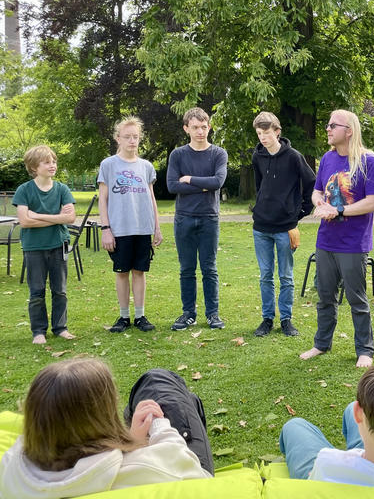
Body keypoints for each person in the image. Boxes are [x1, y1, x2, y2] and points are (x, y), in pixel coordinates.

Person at [0, 358, 213, 498]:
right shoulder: (145, 468)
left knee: (187, 400)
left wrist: (130, 440)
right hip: (190, 470)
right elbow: (194, 473)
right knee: (157, 380)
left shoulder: (10, 468)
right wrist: (159, 422)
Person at [299, 109, 374, 368]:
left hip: (352, 244)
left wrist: (340, 210)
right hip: (326, 241)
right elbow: (316, 190)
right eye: (327, 124)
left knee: (356, 299)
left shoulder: (369, 161)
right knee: (325, 297)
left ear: (349, 130)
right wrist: (319, 202)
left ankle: (365, 351)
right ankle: (321, 344)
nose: (327, 129)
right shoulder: (327, 158)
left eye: (332, 125)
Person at [250, 111, 316, 337]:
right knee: (265, 275)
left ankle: (286, 319)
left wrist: (300, 213)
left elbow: (311, 184)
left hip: (286, 227)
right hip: (261, 227)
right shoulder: (257, 157)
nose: (262, 138)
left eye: (266, 133)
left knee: (286, 276)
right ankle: (267, 319)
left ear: (277, 132)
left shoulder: (294, 157)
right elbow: (260, 187)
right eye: (259, 133)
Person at [98, 117, 163, 333]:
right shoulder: (108, 165)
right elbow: (103, 199)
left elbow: (151, 197)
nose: (132, 141)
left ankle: (140, 315)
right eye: (127, 137)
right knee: (122, 272)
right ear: (118, 138)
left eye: (135, 137)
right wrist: (106, 229)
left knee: (139, 272)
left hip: (143, 227)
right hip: (119, 228)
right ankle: (124, 317)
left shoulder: (146, 166)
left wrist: (156, 226)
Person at [167, 107, 228, 331]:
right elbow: (172, 186)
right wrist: (204, 185)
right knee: (186, 269)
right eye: (195, 127)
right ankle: (188, 313)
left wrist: (190, 179)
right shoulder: (178, 155)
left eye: (204, 127)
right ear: (186, 129)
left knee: (209, 268)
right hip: (184, 218)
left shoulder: (218, 154)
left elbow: (217, 183)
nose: (200, 131)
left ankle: (212, 314)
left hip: (209, 218)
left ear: (209, 127)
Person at [13, 145, 77, 344]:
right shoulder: (24, 190)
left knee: (60, 290)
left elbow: (71, 218)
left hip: (58, 245)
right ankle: (38, 331)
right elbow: (25, 221)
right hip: (34, 248)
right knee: (37, 292)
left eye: (54, 161)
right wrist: (58, 217)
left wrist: (37, 215)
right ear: (34, 167)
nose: (53, 165)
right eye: (47, 162)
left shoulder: (62, 189)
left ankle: (60, 328)